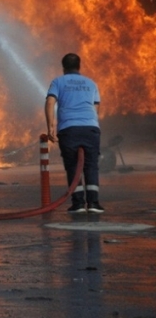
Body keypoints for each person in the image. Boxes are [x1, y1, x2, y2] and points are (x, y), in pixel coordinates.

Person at [44, 53, 103, 214]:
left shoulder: (58, 81)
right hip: (91, 128)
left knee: (72, 166)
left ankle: (77, 204)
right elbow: (95, 107)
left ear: (63, 68)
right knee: (91, 165)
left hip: (68, 129)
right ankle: (94, 203)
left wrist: (50, 127)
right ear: (79, 66)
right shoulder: (91, 83)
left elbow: (50, 102)